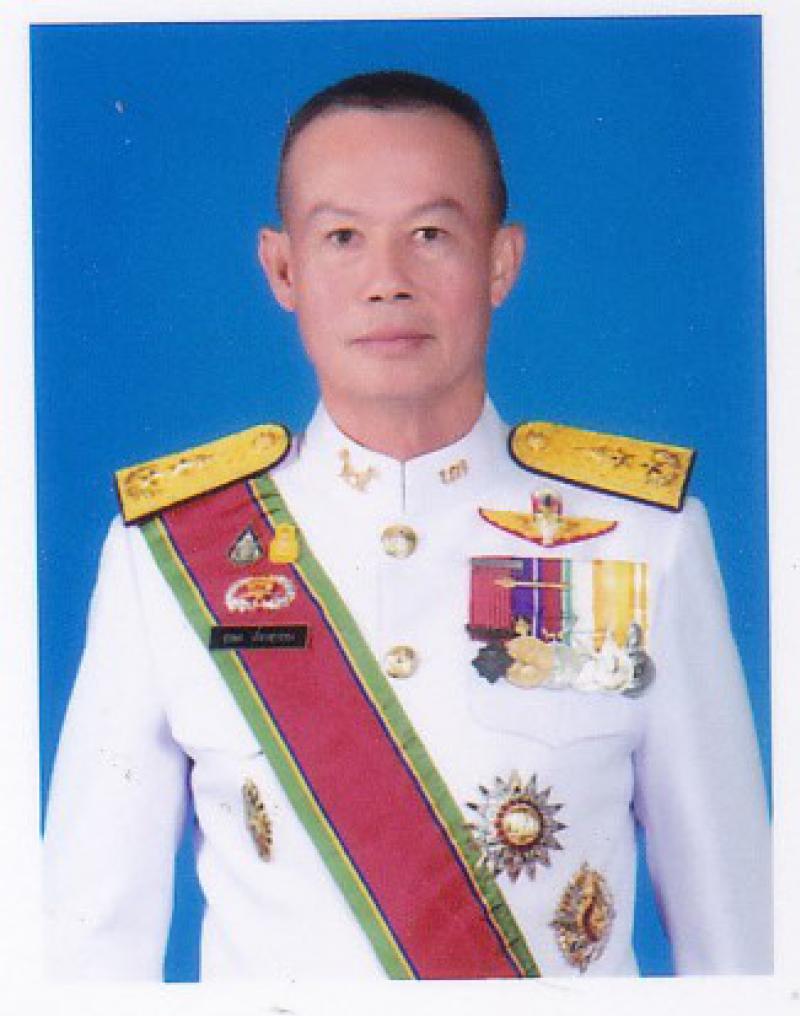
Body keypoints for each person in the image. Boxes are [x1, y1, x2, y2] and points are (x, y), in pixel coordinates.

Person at [43, 70, 771, 980]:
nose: (387, 282)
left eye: (431, 235)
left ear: (500, 261)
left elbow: (740, 947)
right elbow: (84, 958)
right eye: (343, 238)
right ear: (282, 268)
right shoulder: (168, 558)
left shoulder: (644, 540)